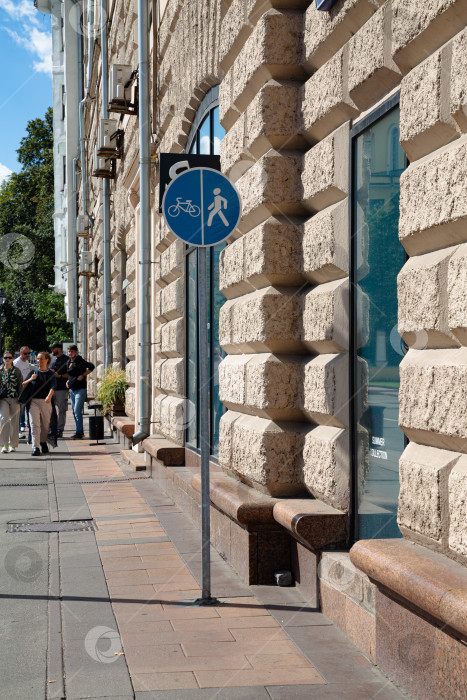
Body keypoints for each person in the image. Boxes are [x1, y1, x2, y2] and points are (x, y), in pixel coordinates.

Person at [23, 352, 56, 456]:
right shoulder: (33, 372)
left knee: (45, 426)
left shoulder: (51, 373)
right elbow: (22, 385)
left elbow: (53, 386)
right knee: (34, 424)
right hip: (33, 402)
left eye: (41, 359)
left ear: (47, 360)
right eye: (37, 359)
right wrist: (31, 379)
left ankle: (42, 441)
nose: (39, 361)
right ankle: (35, 447)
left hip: (46, 402)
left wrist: (49, 396)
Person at [66, 345, 95, 439]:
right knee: (75, 412)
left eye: (72, 351)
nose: (70, 353)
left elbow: (91, 367)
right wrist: (68, 381)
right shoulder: (69, 361)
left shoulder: (79, 360)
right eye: (69, 351)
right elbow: (70, 374)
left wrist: (83, 375)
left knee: (77, 411)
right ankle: (78, 431)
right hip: (72, 389)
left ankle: (80, 432)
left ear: (76, 352)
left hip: (80, 389)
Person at [0, 352, 23, 453]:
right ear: (3, 359)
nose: (7, 359)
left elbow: (20, 386)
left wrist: (21, 399)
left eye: (9, 357)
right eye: (6, 357)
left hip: (15, 398)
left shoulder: (17, 371)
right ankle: (4, 444)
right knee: (4, 419)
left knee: (14, 421)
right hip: (3, 399)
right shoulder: (0, 370)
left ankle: (12, 445)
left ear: (13, 359)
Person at [14, 346, 33, 440]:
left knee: (28, 409)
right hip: (20, 390)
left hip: (27, 389)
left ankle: (26, 428)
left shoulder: (26, 362)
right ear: (20, 353)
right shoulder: (16, 363)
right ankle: (18, 431)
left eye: (29, 353)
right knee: (20, 410)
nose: (27, 355)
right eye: (25, 353)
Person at [50, 342, 68, 438]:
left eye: (54, 348)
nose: (52, 350)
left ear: (59, 349)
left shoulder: (66, 360)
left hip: (62, 388)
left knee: (61, 409)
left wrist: (60, 376)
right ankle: (52, 428)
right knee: (51, 410)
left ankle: (60, 429)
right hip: (51, 389)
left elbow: (70, 374)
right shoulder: (52, 359)